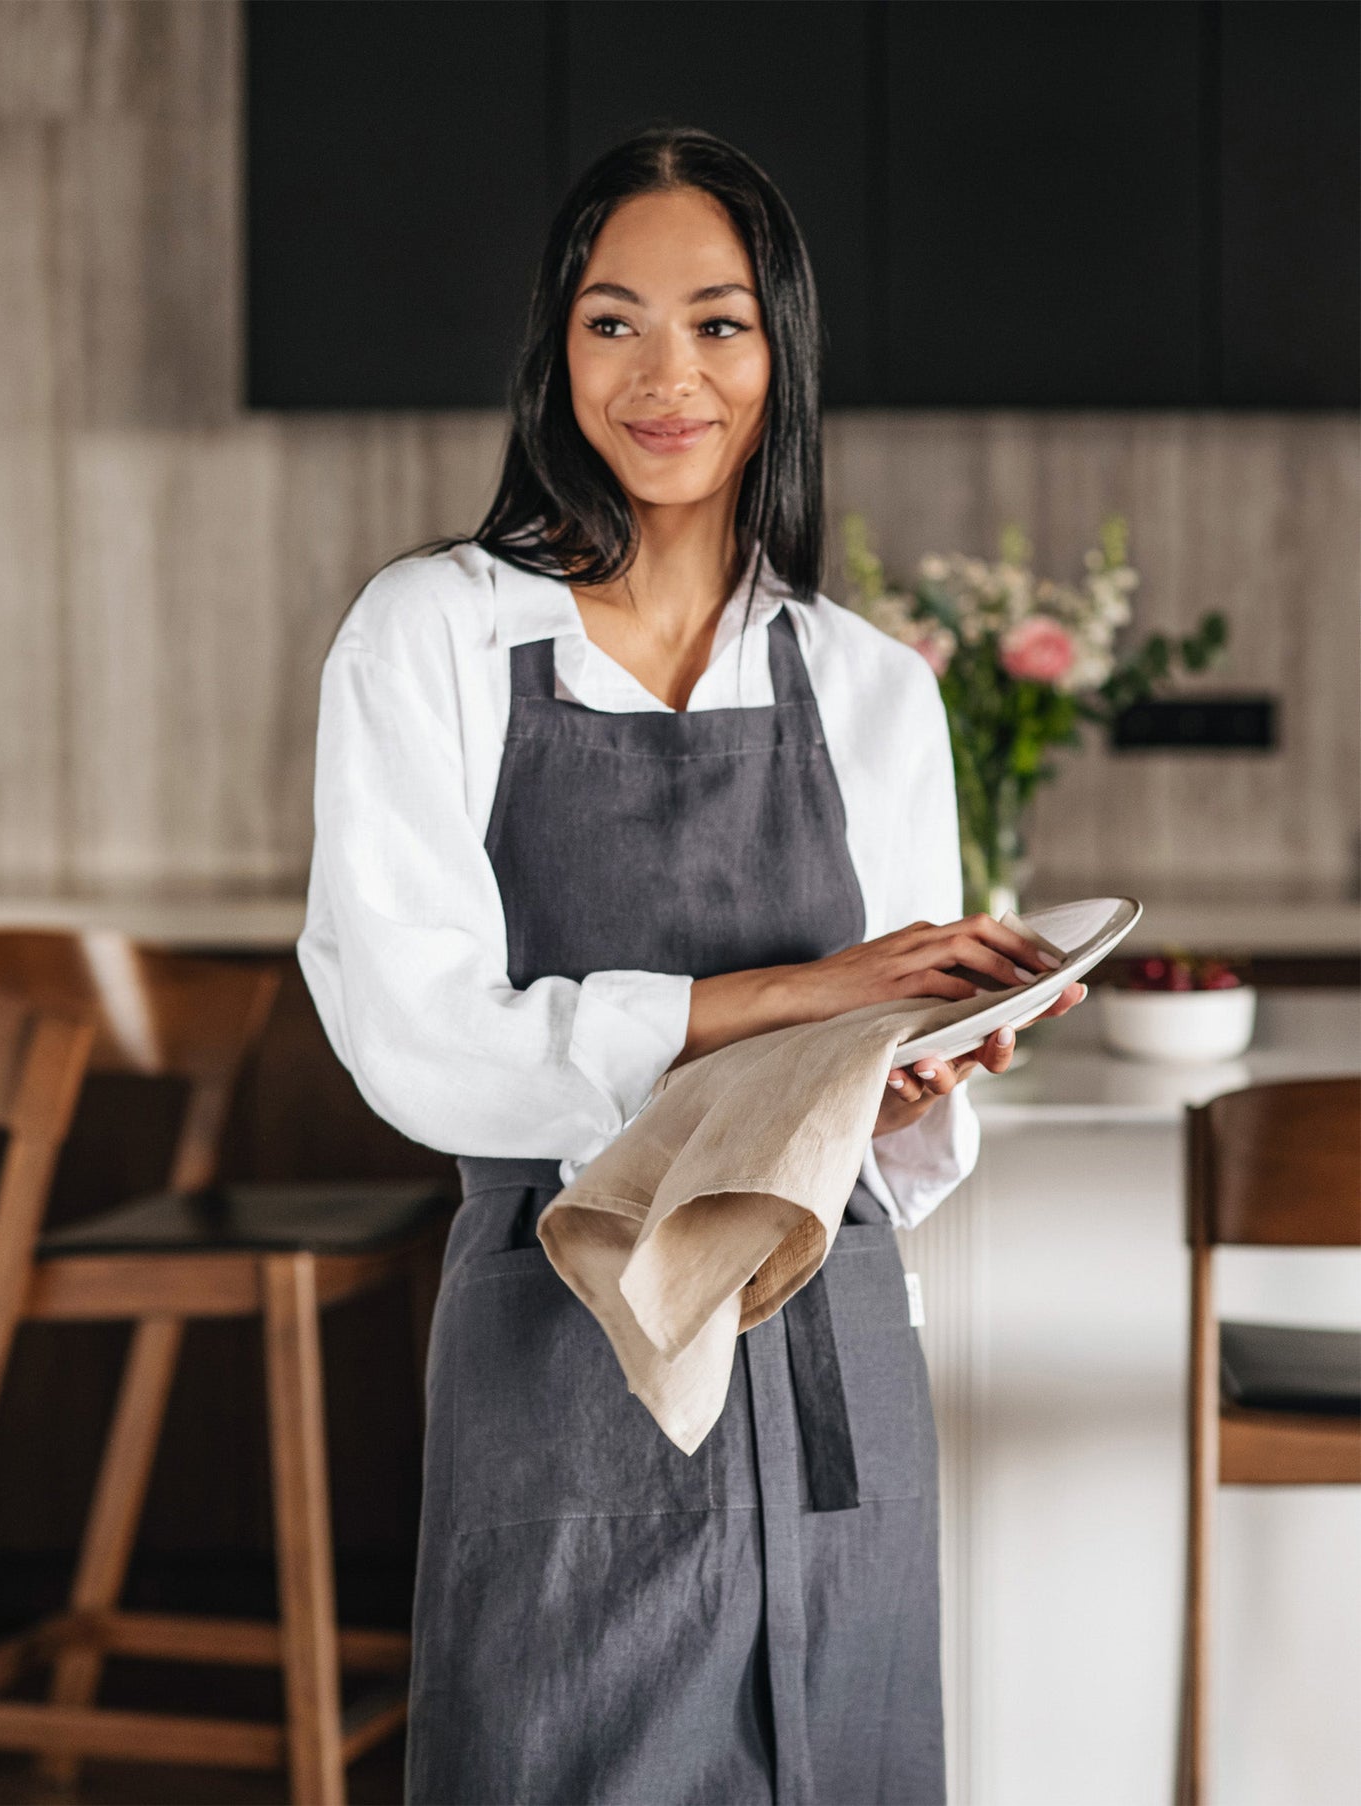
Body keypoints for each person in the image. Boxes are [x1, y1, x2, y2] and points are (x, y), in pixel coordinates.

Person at [297, 125, 1085, 1806]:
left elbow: (878, 1118)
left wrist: (914, 1058)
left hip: (832, 1349)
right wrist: (789, 995)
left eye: (718, 323)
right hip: (565, 1325)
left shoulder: (869, 683)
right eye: (613, 320)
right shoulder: (429, 633)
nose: (668, 374)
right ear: (552, 348)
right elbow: (418, 1038)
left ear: (778, 349)